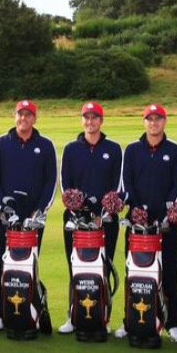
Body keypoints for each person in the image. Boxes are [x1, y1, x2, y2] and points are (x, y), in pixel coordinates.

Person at [0, 100, 57, 331]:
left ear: (35, 118)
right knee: (2, 262)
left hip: (33, 216)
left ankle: (30, 308)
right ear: (14, 116)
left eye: (28, 115)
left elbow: (50, 181)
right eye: (20, 114)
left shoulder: (45, 145)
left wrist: (40, 210)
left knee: (30, 263)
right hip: (5, 215)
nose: (24, 118)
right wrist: (3, 208)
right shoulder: (0, 143)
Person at [119, 104, 177, 342]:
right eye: (150, 119)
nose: (154, 123)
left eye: (158, 119)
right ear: (144, 122)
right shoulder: (132, 150)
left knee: (169, 273)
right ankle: (130, 321)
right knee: (134, 274)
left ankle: (173, 323)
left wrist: (165, 215)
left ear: (164, 122)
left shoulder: (175, 150)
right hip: (137, 225)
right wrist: (138, 211)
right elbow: (127, 183)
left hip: (166, 224)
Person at [57, 102, 122, 334]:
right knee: (75, 267)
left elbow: (118, 185)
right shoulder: (71, 149)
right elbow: (66, 185)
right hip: (75, 219)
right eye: (86, 117)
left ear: (101, 121)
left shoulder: (113, 149)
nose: (90, 121)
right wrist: (78, 213)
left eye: (95, 117)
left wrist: (103, 215)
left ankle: (103, 317)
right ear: (81, 120)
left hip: (106, 220)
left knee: (103, 269)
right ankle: (73, 315)